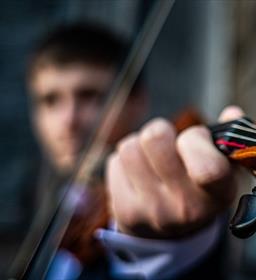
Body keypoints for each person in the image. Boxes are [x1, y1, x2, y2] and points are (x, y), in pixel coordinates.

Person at [26, 23, 242, 279]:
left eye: (89, 96)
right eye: (50, 100)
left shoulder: (180, 193)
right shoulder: (55, 203)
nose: (69, 121)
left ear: (137, 100)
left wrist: (167, 244)